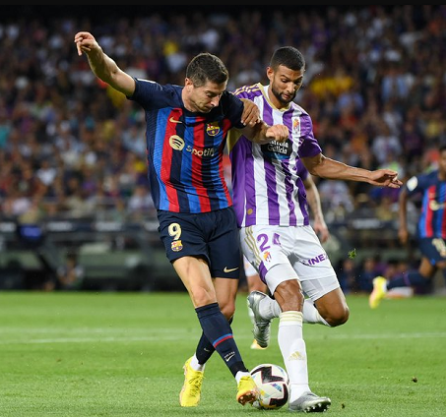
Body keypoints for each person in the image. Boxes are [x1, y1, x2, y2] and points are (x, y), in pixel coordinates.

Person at [74, 31, 290, 408]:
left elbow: (254, 131)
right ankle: (241, 376)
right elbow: (111, 74)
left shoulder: (227, 106)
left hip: (220, 214)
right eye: (209, 94)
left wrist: (269, 130)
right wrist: (96, 53)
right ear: (189, 84)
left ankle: (194, 365)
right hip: (177, 215)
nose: (215, 101)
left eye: (220, 94)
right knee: (202, 296)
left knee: (225, 309)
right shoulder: (159, 98)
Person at [229, 46, 402, 412]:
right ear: (270, 72)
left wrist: (368, 175)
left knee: (337, 313)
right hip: (258, 222)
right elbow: (242, 131)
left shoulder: (301, 119)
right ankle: (300, 391)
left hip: (299, 224)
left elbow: (318, 165)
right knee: (290, 293)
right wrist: (263, 132)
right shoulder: (246, 97)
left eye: (297, 82)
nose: (290, 88)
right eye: (284, 80)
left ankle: (264, 310)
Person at [369, 143, 446, 336]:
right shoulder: (427, 180)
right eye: (445, 159)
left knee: (424, 276)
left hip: (445, 236)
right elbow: (404, 193)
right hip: (427, 233)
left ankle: (384, 285)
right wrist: (403, 226)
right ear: (439, 161)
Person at [244, 162, 330, 351]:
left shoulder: (291, 157)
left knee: (324, 308)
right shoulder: (249, 154)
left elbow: (308, 184)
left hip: (295, 231)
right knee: (257, 286)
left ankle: (266, 310)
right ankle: (258, 333)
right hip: (259, 227)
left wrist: (319, 219)